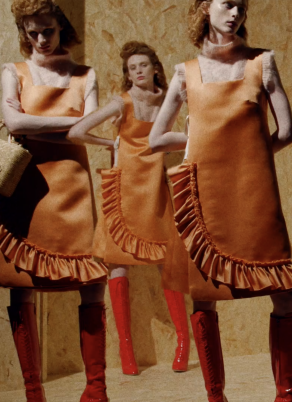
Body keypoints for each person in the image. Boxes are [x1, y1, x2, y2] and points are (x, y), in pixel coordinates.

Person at [148, 1, 292, 401]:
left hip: (255, 192)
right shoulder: (185, 72)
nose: (235, 12)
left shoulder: (262, 63)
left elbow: (287, 131)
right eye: (227, 3)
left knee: (285, 290)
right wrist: (204, 140)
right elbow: (156, 139)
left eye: (241, 4)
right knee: (205, 293)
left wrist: (248, 157)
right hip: (205, 194)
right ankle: (215, 396)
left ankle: (287, 394)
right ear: (206, 7)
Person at [0, 1, 114, 401]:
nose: (40, 40)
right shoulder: (12, 72)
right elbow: (14, 123)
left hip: (73, 187)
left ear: (61, 26)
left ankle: (96, 390)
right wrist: (75, 123)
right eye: (31, 32)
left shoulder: (85, 75)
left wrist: (36, 126)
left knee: (91, 282)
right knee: (22, 282)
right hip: (28, 184)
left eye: (47, 30)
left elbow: (81, 128)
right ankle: (33, 391)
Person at [68, 41, 190, 376]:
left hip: (154, 188)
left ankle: (183, 342)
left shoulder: (168, 99)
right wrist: (112, 144)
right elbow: (77, 131)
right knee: (118, 264)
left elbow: (186, 130)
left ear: (155, 68)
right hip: (123, 189)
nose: (137, 72)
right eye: (131, 68)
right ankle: (126, 350)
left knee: (166, 263)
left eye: (142, 65)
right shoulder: (121, 102)